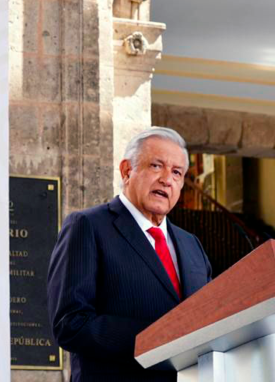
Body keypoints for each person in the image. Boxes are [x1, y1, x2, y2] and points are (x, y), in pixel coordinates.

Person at [47, 127, 212, 382]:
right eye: (157, 166)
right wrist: (157, 337)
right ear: (127, 171)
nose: (167, 179)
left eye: (177, 173)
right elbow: (71, 324)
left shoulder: (192, 246)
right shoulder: (87, 226)